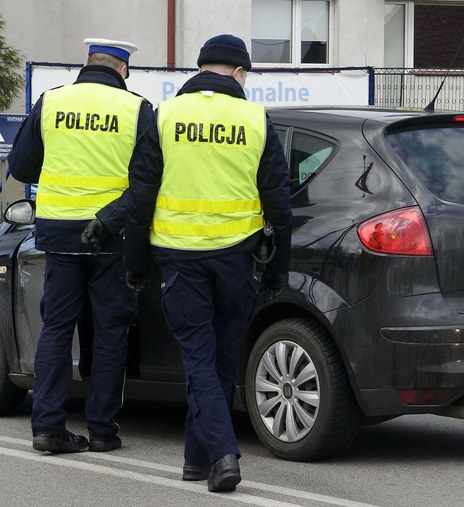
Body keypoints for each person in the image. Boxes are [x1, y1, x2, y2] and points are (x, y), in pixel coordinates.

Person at [124, 34, 291, 492]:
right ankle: (212, 455)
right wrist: (278, 267)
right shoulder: (255, 119)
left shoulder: (166, 115)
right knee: (220, 360)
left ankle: (205, 456)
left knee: (199, 359)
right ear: (238, 72)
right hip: (237, 258)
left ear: (200, 70)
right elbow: (278, 202)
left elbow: (141, 197)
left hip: (180, 260)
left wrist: (135, 263)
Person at [8, 37, 157, 454]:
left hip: (57, 234)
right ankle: (103, 431)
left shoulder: (52, 102)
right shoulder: (136, 109)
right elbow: (147, 183)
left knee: (56, 328)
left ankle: (48, 428)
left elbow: (20, 166)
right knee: (111, 332)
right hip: (110, 237)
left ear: (87, 63)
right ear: (123, 69)